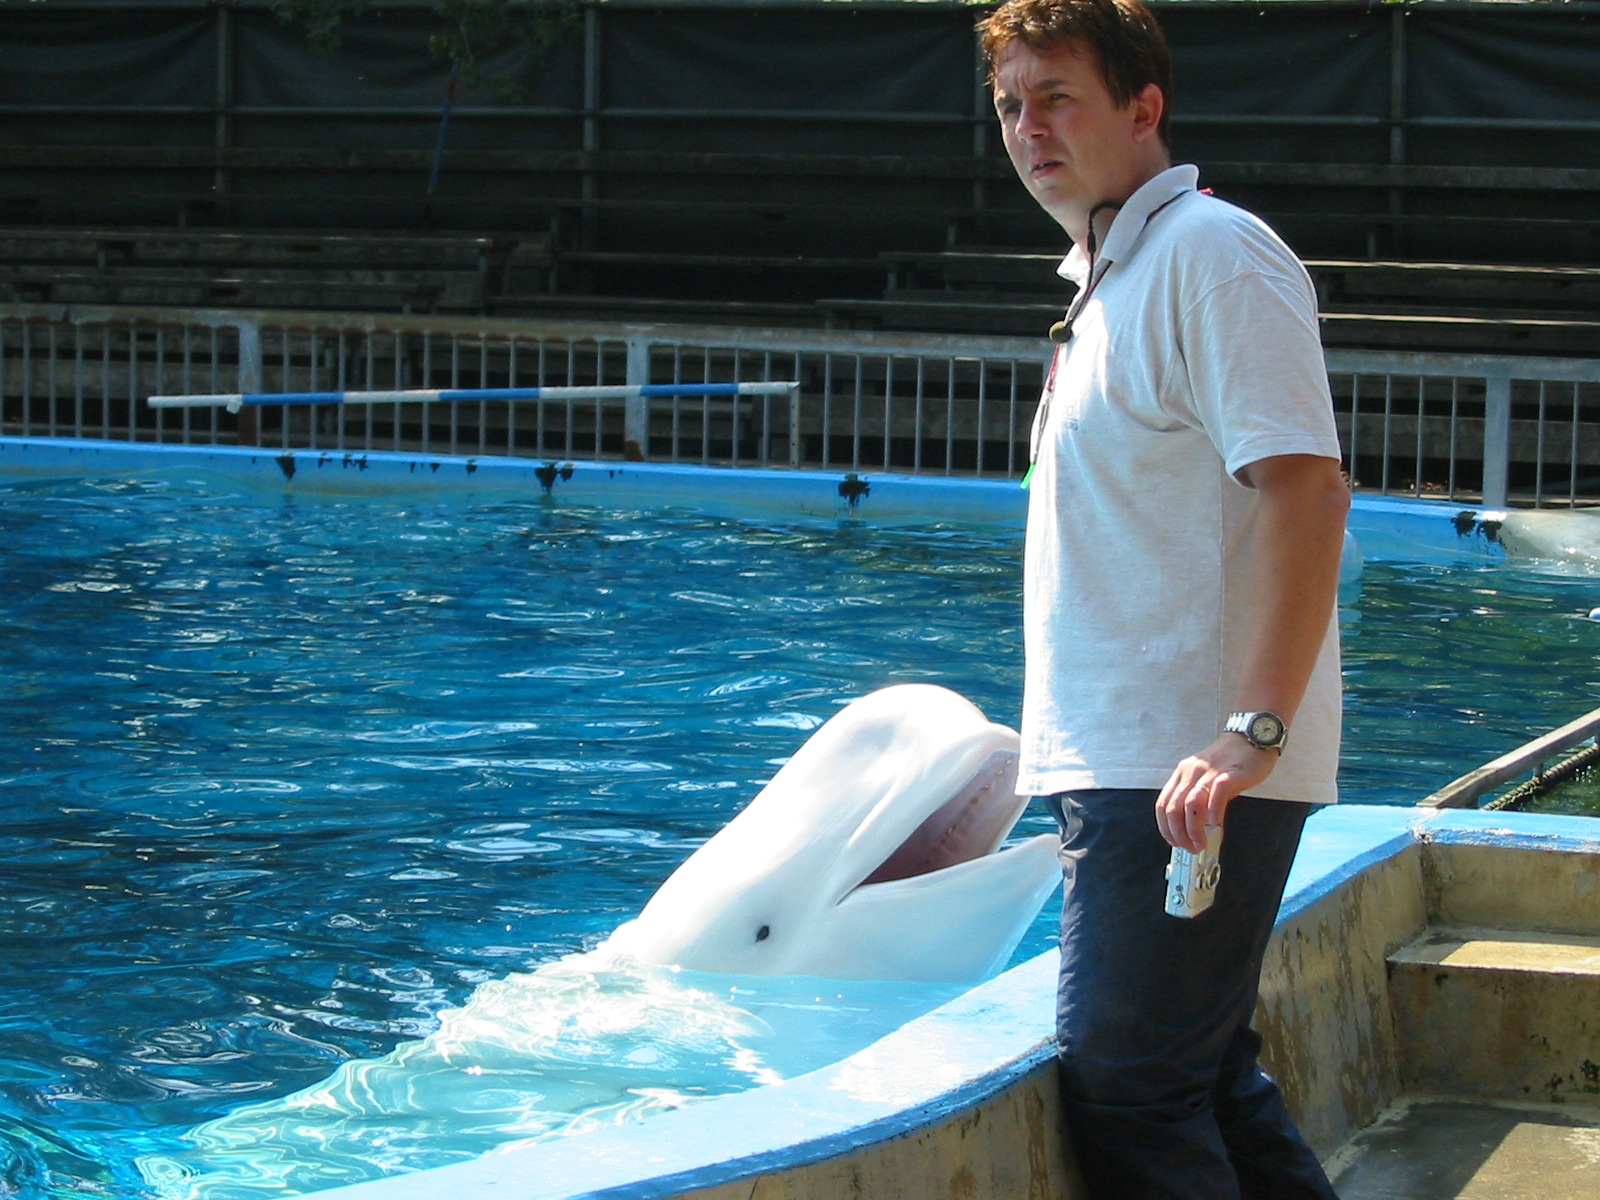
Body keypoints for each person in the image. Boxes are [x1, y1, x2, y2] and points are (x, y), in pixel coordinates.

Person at [976, 1, 1350, 1197]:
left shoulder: (1210, 254)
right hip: (1135, 764)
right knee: (1199, 1076)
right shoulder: (1107, 278)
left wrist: (1251, 731)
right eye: (1007, 105)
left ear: (1143, 108)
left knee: (1129, 1082)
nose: (1027, 127)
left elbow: (1306, 491)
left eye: (1057, 96)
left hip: (1185, 774)